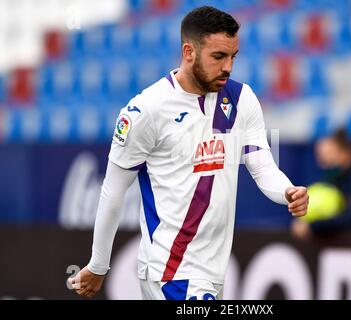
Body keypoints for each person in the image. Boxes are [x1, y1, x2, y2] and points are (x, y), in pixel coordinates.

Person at [68, 6, 309, 300]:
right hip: (173, 272)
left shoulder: (241, 99)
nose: (228, 67)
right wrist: (98, 264)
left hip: (209, 274)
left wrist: (287, 191)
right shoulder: (147, 110)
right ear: (188, 52)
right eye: (218, 57)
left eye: (233, 56)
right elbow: (113, 191)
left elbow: (261, 164)